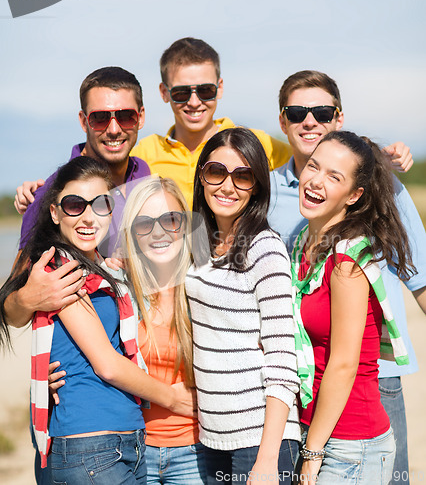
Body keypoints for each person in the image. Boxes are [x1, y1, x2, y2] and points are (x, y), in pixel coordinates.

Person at [267, 70, 426, 485]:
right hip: (308, 401)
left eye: (321, 111)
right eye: (297, 111)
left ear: (338, 117)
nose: (309, 120)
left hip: (364, 399)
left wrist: (313, 452)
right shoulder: (285, 212)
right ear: (281, 120)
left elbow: (421, 279)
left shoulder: (356, 242)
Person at [0, 157, 194, 485]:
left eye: (100, 204)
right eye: (75, 205)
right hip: (91, 444)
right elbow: (107, 364)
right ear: (54, 212)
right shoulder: (60, 272)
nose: (89, 217)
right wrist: (176, 398)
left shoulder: (102, 269)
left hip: (119, 441)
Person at [291, 130, 416, 484]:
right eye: (313, 166)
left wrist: (313, 452)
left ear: (354, 194)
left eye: (335, 176)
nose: (316, 181)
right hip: (317, 429)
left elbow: (344, 364)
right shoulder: (305, 241)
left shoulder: (349, 258)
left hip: (350, 445)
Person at [186, 127, 300, 485]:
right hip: (211, 437)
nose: (227, 185)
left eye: (243, 176)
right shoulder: (196, 242)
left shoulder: (265, 249)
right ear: (202, 175)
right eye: (217, 171)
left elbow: (282, 358)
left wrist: (267, 459)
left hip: (261, 441)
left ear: (258, 186)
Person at [6, 66, 150, 332]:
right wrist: (29, 298)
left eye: (126, 116)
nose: (114, 129)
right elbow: (11, 311)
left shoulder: (145, 175)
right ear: (84, 121)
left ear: (140, 117)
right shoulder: (52, 193)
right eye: (100, 118)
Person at [131, 37, 293, 206]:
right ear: (164, 92)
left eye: (205, 90)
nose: (194, 102)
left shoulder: (258, 144)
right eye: (181, 93)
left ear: (219, 88)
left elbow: (309, 165)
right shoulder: (144, 155)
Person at [119, 176, 207, 484]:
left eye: (170, 219)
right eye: (144, 223)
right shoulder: (119, 292)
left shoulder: (205, 287)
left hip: (195, 452)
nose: (158, 232)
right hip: (131, 452)